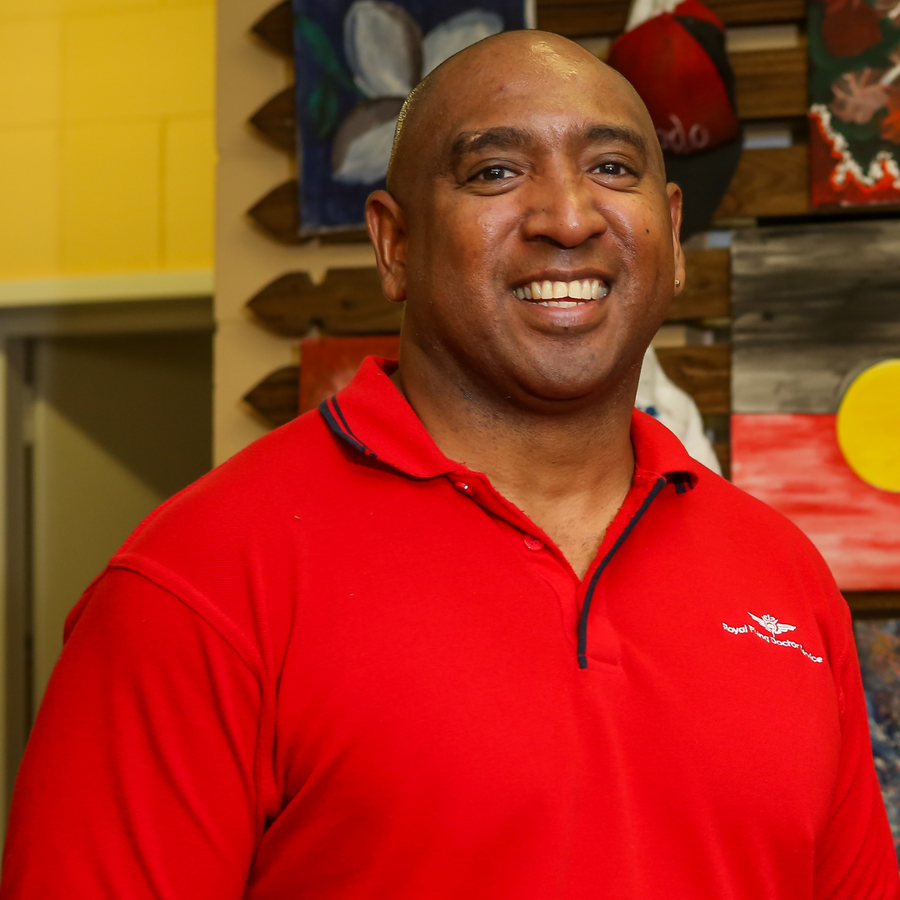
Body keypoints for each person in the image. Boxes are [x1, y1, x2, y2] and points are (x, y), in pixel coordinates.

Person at [2, 30, 898, 900]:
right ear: (395, 244)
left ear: (668, 235)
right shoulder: (198, 583)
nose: (567, 218)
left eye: (613, 169)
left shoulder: (783, 579)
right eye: (495, 172)